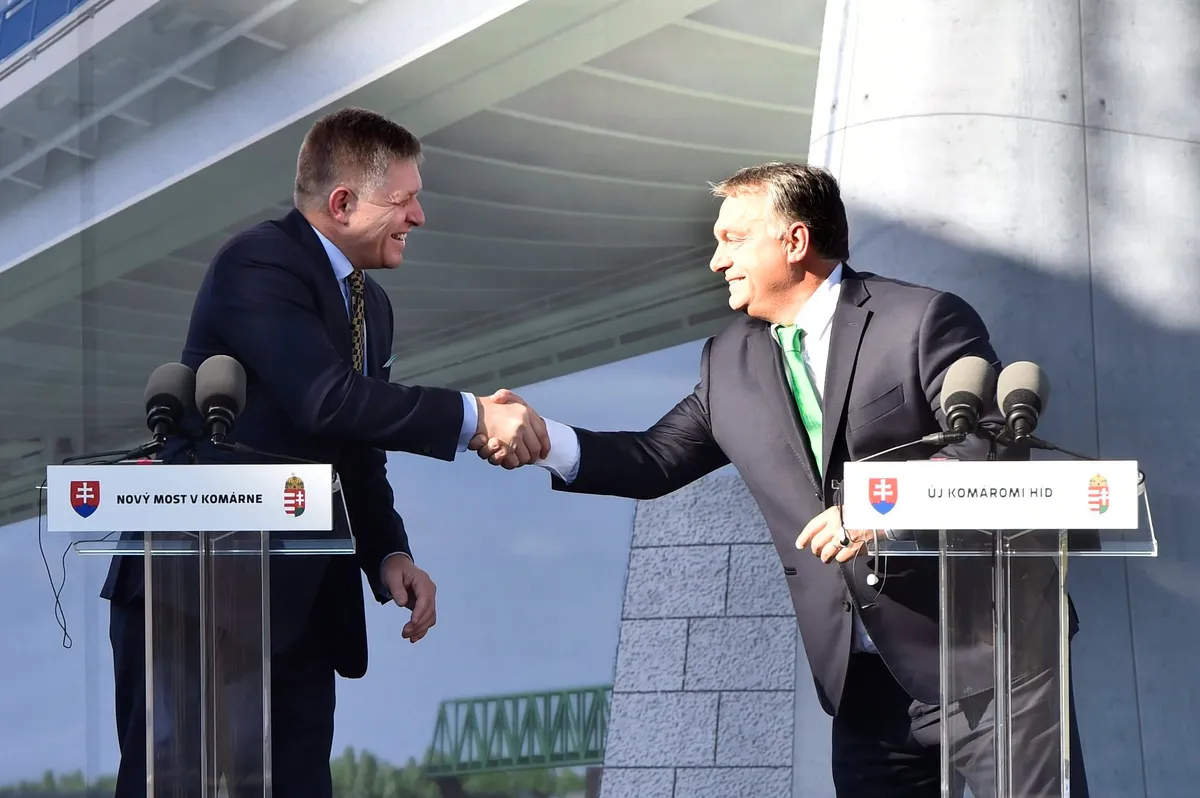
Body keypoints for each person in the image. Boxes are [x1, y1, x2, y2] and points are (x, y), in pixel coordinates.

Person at [469, 162, 1089, 797]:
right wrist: (542, 440)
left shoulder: (923, 319)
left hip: (993, 657)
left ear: (795, 241)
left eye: (733, 239)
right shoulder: (727, 361)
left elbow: (987, 445)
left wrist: (880, 506)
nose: (717, 261)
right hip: (863, 685)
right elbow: (653, 459)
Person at [100, 107, 550, 797]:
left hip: (300, 607)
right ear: (342, 204)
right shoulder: (258, 263)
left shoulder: (374, 307)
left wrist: (388, 553)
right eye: (404, 200)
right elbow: (327, 400)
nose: (419, 216)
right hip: (200, 593)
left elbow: (355, 445)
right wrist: (473, 416)